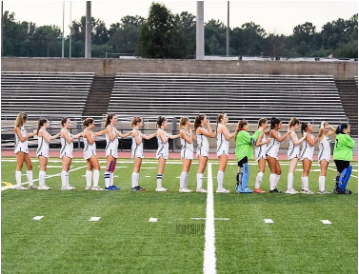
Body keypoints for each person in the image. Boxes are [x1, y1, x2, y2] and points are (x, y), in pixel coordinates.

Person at [103, 113, 132, 191]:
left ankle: (111, 184)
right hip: (110, 149)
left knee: (112, 168)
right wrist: (116, 133)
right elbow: (111, 138)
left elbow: (122, 136)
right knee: (108, 167)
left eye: (116, 118)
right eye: (115, 118)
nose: (116, 120)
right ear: (110, 119)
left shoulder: (113, 128)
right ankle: (107, 186)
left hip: (114, 150)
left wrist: (131, 132)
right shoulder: (109, 127)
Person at [234, 119, 262, 193]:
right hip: (243, 153)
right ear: (244, 126)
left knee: (240, 170)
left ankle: (238, 186)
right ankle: (242, 188)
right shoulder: (243, 133)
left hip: (240, 153)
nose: (248, 126)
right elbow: (252, 140)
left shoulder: (241, 133)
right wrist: (258, 131)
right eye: (247, 125)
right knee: (244, 170)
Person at [130, 116, 156, 191]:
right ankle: (133, 186)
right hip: (136, 151)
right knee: (136, 168)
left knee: (138, 168)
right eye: (141, 122)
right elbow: (138, 142)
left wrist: (155, 134)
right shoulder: (135, 131)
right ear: (138, 123)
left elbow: (147, 137)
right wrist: (140, 137)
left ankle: (136, 185)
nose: (142, 123)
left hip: (139, 151)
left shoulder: (138, 131)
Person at [266, 117, 291, 193]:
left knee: (279, 171)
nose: (281, 125)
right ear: (276, 125)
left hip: (274, 154)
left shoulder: (275, 131)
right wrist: (287, 133)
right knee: (273, 171)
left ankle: (274, 187)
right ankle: (272, 189)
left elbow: (266, 132)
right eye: (280, 124)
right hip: (270, 153)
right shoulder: (273, 131)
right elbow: (280, 139)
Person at [155, 116, 180, 192]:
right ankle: (158, 187)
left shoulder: (163, 131)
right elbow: (165, 140)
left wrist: (179, 135)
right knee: (160, 169)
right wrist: (167, 136)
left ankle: (159, 186)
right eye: (166, 122)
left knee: (162, 170)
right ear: (162, 123)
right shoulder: (160, 131)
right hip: (162, 152)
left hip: (164, 152)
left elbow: (171, 136)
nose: (167, 123)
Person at [14, 112, 37, 190]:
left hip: (24, 148)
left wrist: (33, 133)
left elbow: (27, 135)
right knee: (19, 166)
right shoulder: (17, 127)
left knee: (30, 165)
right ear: (23, 119)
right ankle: (19, 185)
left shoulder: (22, 126)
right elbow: (22, 139)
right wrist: (28, 135)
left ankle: (30, 184)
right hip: (20, 148)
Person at [36, 118, 60, 190]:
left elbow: (51, 137)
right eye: (48, 123)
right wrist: (50, 138)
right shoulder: (42, 131)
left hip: (45, 151)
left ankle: (42, 184)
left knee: (44, 168)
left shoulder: (44, 131)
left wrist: (58, 134)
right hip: (42, 151)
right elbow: (48, 140)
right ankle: (41, 185)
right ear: (44, 123)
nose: (49, 124)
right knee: (42, 168)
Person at [83, 118, 106, 190]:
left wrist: (106, 129)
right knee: (97, 167)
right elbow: (91, 141)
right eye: (93, 123)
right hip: (90, 151)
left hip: (90, 151)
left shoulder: (90, 131)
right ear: (89, 124)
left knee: (90, 168)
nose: (94, 125)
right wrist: (95, 137)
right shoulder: (87, 131)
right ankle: (95, 186)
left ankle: (89, 185)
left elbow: (99, 133)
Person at [194, 114, 216, 193]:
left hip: (205, 150)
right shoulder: (200, 128)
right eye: (205, 118)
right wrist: (209, 125)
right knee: (201, 169)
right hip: (202, 150)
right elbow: (210, 134)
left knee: (202, 169)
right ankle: (199, 187)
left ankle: (199, 187)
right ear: (201, 121)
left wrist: (218, 128)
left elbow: (212, 135)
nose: (207, 120)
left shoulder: (203, 128)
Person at [60, 117, 82, 190]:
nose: (70, 124)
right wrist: (73, 137)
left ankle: (67, 184)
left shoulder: (67, 131)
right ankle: (64, 185)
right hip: (66, 151)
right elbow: (69, 140)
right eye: (68, 122)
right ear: (64, 123)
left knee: (67, 168)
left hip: (69, 150)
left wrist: (81, 133)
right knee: (65, 168)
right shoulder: (64, 131)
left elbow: (73, 136)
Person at [216, 113, 236, 193]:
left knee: (222, 168)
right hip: (223, 148)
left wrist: (235, 132)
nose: (227, 118)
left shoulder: (222, 126)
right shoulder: (222, 126)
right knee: (221, 168)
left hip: (223, 148)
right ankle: (219, 188)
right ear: (221, 119)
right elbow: (227, 137)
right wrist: (236, 132)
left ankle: (220, 187)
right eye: (225, 117)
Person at [286, 118, 306, 194]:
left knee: (291, 171)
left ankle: (290, 188)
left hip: (293, 152)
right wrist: (303, 138)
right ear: (296, 124)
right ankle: (289, 188)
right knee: (291, 171)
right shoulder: (292, 132)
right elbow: (296, 143)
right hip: (293, 153)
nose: (298, 126)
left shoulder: (291, 132)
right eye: (298, 125)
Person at [333, 123, 355, 194]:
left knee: (340, 173)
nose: (348, 130)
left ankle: (337, 188)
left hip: (337, 157)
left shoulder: (338, 136)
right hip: (343, 157)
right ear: (344, 129)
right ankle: (340, 189)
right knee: (344, 173)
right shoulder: (345, 136)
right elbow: (352, 144)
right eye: (347, 128)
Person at [253, 118, 272, 193]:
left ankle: (257, 187)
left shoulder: (260, 131)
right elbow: (257, 144)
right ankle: (257, 188)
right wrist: (266, 141)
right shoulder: (261, 132)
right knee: (261, 170)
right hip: (261, 152)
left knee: (261, 170)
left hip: (260, 152)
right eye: (266, 123)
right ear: (263, 124)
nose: (267, 125)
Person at [317, 121, 336, 194]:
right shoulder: (320, 135)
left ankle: (322, 189)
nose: (327, 129)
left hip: (327, 155)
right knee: (323, 172)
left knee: (324, 172)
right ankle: (322, 190)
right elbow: (321, 129)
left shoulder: (326, 135)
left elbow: (334, 130)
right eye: (326, 128)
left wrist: (328, 125)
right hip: (323, 156)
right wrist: (322, 124)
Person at [299, 122, 318, 194]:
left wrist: (317, 137)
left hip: (309, 154)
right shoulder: (306, 134)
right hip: (306, 154)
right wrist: (318, 136)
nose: (311, 126)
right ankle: (305, 189)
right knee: (305, 171)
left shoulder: (311, 135)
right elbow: (312, 144)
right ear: (306, 128)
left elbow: (312, 143)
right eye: (310, 125)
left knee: (307, 171)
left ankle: (304, 188)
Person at [179, 117, 196, 192]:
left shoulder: (188, 130)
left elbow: (195, 138)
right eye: (189, 121)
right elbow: (189, 140)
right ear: (186, 122)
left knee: (187, 169)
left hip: (190, 151)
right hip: (186, 151)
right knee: (185, 169)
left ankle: (184, 186)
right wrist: (191, 132)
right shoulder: (183, 131)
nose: (190, 122)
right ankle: (181, 187)